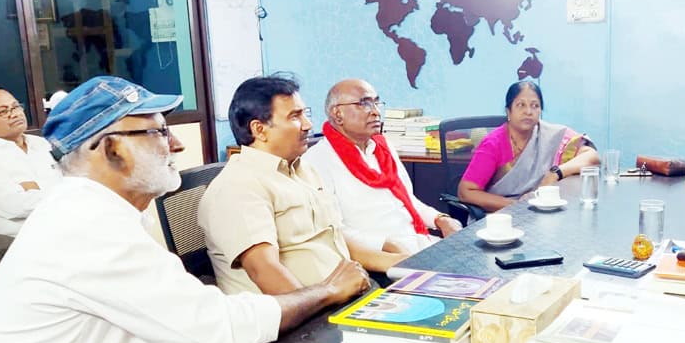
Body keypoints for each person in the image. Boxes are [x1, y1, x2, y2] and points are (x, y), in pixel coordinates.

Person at [0, 76, 370, 343]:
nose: (176, 143)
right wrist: (327, 291)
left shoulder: (104, 213)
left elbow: (176, 333)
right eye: (158, 132)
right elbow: (219, 327)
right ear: (111, 149)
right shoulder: (84, 225)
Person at [199, 75, 406, 296]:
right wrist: (329, 297)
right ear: (259, 130)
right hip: (313, 311)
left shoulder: (303, 170)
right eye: (295, 116)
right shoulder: (238, 186)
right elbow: (264, 270)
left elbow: (334, 239)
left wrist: (399, 263)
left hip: (350, 292)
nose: (308, 125)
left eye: (305, 114)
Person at [303, 79, 463, 255]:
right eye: (364, 103)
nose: (376, 112)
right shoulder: (318, 159)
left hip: (419, 242)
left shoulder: (383, 147)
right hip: (379, 256)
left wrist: (440, 219)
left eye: (377, 103)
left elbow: (408, 200)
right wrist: (385, 245)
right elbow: (333, 230)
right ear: (338, 114)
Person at [458, 80, 600, 212]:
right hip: (502, 215)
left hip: (542, 211)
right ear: (508, 111)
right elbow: (466, 191)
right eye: (521, 105)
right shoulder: (494, 143)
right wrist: (517, 207)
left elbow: (592, 157)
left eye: (535, 106)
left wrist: (555, 173)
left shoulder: (550, 135)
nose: (528, 111)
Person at [0, 85, 62, 236]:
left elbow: (74, 179)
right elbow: (14, 206)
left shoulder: (43, 144)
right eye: (2, 111)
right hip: (21, 240)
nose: (14, 114)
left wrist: (33, 190)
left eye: (15, 106)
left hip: (67, 227)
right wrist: (66, 194)